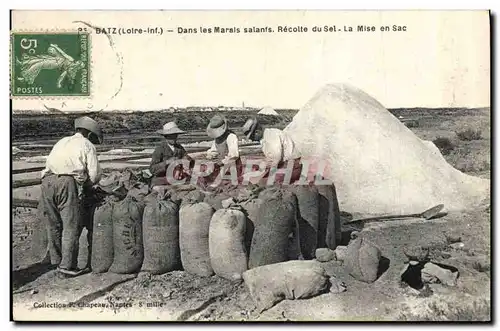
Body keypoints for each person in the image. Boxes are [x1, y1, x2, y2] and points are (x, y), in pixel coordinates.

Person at [38, 116, 103, 277]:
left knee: (54, 224)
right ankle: (67, 267)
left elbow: (48, 164)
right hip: (66, 183)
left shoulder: (62, 141)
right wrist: (87, 184)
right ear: (89, 133)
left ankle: (57, 261)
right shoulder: (86, 145)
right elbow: (94, 175)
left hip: (47, 182)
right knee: (71, 225)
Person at [149, 121, 193, 190]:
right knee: (157, 187)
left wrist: (186, 160)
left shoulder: (179, 148)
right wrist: (166, 162)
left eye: (175, 135)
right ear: (166, 136)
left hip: (177, 177)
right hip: (163, 178)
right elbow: (152, 169)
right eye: (171, 136)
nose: (174, 138)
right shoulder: (160, 149)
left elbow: (189, 160)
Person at [203, 115, 243, 188]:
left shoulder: (231, 137)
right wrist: (211, 155)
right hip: (222, 166)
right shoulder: (217, 139)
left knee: (227, 186)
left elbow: (234, 156)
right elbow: (213, 150)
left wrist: (221, 162)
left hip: (232, 167)